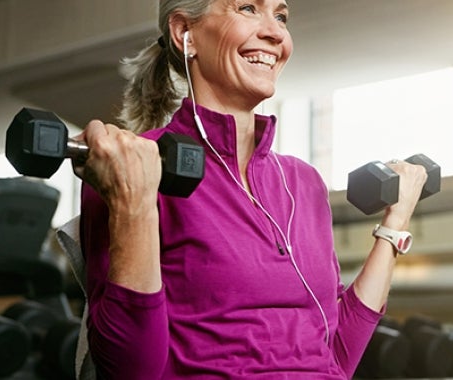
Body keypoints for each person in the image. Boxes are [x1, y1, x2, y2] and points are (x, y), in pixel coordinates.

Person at [71, 0, 428, 379]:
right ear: (183, 33)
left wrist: (396, 222)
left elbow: (336, 358)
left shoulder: (302, 183)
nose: (276, 33)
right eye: (247, 8)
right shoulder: (137, 166)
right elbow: (131, 371)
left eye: (281, 16)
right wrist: (133, 205)